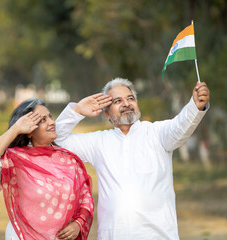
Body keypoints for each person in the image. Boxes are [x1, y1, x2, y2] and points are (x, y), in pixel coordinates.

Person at [55, 78, 210, 240]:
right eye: (117, 101)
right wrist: (77, 111)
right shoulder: (98, 142)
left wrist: (195, 106)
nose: (126, 104)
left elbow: (181, 125)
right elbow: (58, 141)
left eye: (130, 99)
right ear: (107, 113)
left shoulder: (157, 133)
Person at [0, 99, 94, 240]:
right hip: (22, 235)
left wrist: (77, 224)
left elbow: (85, 197)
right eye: (42, 120)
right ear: (29, 131)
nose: (52, 122)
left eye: (50, 116)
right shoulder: (17, 160)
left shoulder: (66, 159)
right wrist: (16, 128)